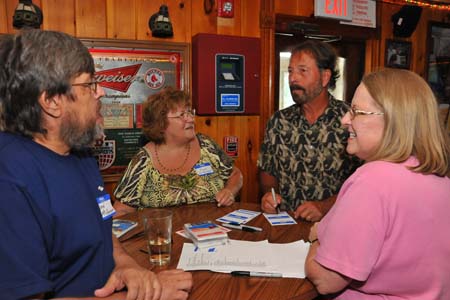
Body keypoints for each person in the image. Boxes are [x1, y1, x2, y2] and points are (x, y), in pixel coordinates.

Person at [0, 29, 192, 299]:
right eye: (89, 84)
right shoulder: (10, 179)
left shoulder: (78, 152)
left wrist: (126, 265)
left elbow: (101, 229)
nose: (101, 92)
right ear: (52, 101)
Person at [305, 68, 450, 299]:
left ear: (394, 120)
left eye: (356, 112)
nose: (344, 120)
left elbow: (326, 279)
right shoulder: (441, 181)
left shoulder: (373, 180)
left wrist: (316, 237)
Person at [258, 40, 360, 222]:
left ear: (325, 77)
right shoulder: (278, 121)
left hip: (338, 226)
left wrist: (325, 206)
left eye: (302, 70)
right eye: (290, 71)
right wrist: (269, 196)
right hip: (286, 226)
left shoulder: (351, 121)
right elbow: (267, 171)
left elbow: (363, 184)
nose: (292, 78)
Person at [113, 86, 243, 216]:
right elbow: (122, 210)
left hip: (212, 231)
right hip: (163, 234)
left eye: (190, 112)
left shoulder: (207, 146)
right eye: (182, 115)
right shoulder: (142, 161)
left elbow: (235, 174)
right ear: (161, 123)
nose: (191, 119)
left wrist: (229, 191)